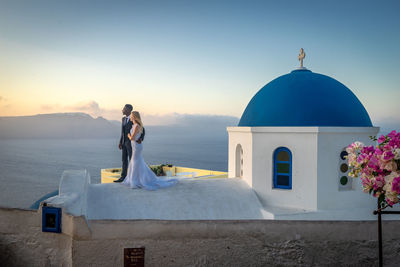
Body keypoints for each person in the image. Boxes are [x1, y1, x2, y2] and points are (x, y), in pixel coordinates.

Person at [121, 111, 178, 190]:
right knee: (137, 161)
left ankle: (135, 180)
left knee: (135, 161)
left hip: (137, 146)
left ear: (134, 117)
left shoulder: (137, 125)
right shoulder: (134, 125)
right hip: (135, 146)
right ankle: (137, 178)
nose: (130, 117)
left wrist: (128, 135)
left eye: (131, 116)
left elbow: (133, 138)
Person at [114, 104, 145, 183]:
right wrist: (120, 142)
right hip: (124, 143)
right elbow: (122, 132)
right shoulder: (123, 119)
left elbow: (142, 128)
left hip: (132, 144)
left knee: (132, 160)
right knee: (124, 160)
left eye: (124, 108)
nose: (122, 110)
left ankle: (134, 177)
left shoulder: (132, 118)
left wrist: (141, 138)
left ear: (128, 110)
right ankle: (123, 177)